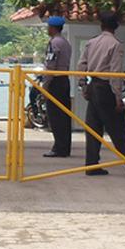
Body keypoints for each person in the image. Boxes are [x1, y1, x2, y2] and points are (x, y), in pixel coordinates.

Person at [78, 11, 125, 177]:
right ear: (117, 27)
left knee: (93, 128)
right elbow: (115, 74)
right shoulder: (115, 44)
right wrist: (118, 97)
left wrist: (83, 86)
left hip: (93, 86)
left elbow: (81, 65)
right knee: (118, 129)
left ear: (101, 25)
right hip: (106, 89)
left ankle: (91, 165)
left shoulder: (91, 43)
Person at [42, 16, 74, 158]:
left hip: (56, 82)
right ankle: (65, 147)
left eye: (48, 26)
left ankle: (58, 147)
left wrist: (45, 85)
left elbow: (51, 65)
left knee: (55, 116)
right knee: (64, 116)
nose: (47, 29)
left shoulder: (54, 43)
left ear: (53, 28)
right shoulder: (66, 43)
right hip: (64, 80)